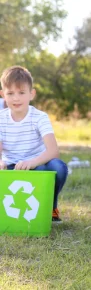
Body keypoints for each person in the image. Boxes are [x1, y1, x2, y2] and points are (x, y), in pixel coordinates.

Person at [0, 66, 68, 222]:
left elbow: (53, 151)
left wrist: (31, 162)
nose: (16, 98)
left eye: (21, 93)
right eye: (10, 93)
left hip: (37, 164)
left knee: (57, 167)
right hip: (11, 167)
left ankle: (51, 208)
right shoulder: (1, 118)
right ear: (3, 95)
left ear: (32, 94)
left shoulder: (39, 117)